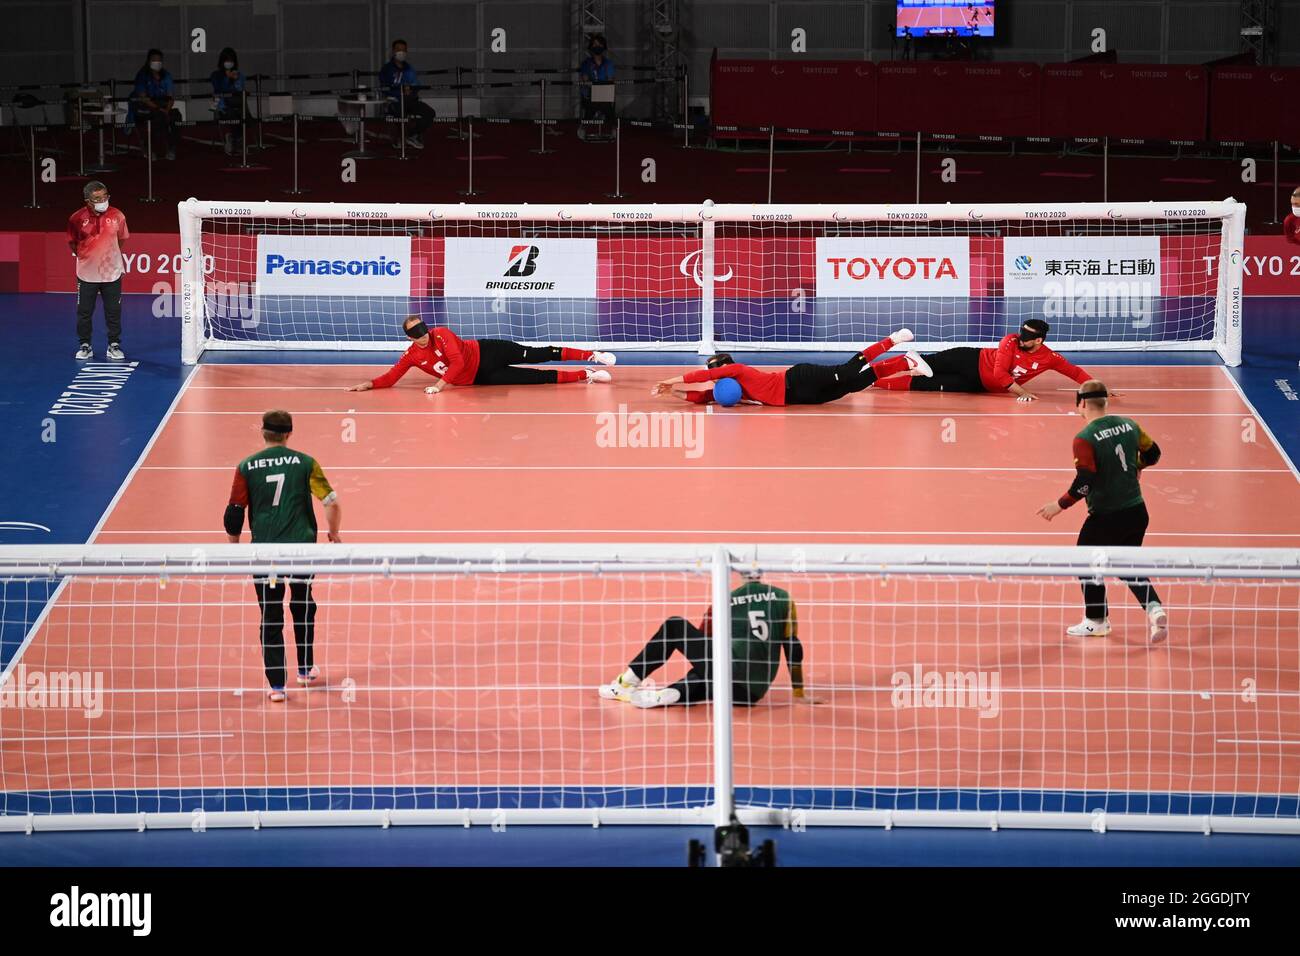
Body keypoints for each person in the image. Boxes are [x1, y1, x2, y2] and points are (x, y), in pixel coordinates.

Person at [1036, 380, 1169, 642]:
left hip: (1107, 516)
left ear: (1081, 403)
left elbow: (1085, 482)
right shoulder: (1130, 424)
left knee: (1086, 561)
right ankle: (1155, 610)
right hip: (1137, 511)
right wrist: (1135, 466)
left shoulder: (1084, 438)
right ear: (1106, 402)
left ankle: (1096, 620)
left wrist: (1058, 505)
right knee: (1127, 563)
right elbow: (1153, 454)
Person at [224, 410, 343, 702]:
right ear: (289, 433)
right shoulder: (305, 463)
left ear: (263, 432)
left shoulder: (246, 466)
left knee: (271, 613)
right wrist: (333, 532)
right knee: (303, 604)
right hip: (301, 548)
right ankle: (304, 669)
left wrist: (233, 545)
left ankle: (277, 685)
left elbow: (234, 512)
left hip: (265, 553)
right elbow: (330, 501)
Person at [598, 569, 819, 708]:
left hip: (726, 676)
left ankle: (625, 683)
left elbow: (704, 644)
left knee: (676, 626)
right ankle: (674, 692)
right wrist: (799, 691)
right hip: (750, 693)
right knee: (712, 672)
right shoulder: (783, 598)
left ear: (738, 572)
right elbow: (793, 646)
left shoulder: (725, 600)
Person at [653, 328, 920, 406]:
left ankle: (892, 340)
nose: (714, 379)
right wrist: (671, 392)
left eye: (716, 370)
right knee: (852, 385)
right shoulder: (730, 390)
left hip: (798, 378)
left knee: (848, 371)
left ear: (725, 366)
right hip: (797, 397)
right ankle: (905, 362)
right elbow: (701, 397)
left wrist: (672, 379)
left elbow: (703, 375)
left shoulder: (738, 371)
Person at [346, 316, 615, 393]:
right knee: (536, 379)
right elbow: (392, 376)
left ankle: (591, 355)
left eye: (423, 329)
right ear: (410, 338)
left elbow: (458, 361)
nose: (423, 335)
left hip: (488, 352)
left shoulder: (441, 333)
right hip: (481, 378)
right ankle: (587, 375)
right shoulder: (411, 356)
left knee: (537, 354)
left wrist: (439, 386)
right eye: (417, 334)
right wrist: (369, 384)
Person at [868, 319, 1095, 401]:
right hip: (969, 359)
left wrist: (1098, 388)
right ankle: (869, 373)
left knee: (921, 384)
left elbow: (1074, 372)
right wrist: (1022, 393)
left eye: (1027, 338)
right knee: (917, 362)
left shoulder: (1049, 358)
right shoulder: (1010, 341)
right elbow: (1000, 375)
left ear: (1039, 341)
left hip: (977, 385)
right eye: (1021, 334)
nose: (1020, 339)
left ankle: (872, 383)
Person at [67, 180, 129, 361]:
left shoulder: (117, 215)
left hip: (112, 273)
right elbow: (73, 243)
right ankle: (85, 345)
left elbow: (121, 240)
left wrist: (110, 257)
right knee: (84, 312)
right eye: (97, 198)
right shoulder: (76, 218)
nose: (103, 200)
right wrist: (87, 257)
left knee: (113, 311)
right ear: (88, 200)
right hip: (86, 275)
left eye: (105, 196)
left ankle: (114, 344)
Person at [378, 39, 435, 150]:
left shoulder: (410, 69)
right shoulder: (386, 69)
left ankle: (410, 135)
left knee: (430, 113)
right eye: (399, 49)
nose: (402, 52)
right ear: (393, 51)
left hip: (409, 100)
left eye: (404, 50)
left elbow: (416, 85)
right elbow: (384, 88)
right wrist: (399, 91)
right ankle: (401, 137)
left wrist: (412, 90)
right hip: (394, 101)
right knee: (399, 113)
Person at [129, 49, 180, 161]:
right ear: (148, 61)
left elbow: (171, 97)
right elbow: (143, 97)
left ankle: (171, 148)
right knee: (157, 117)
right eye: (154, 60)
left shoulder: (166, 75)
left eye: (159, 60)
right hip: (145, 106)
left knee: (176, 116)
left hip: (163, 106)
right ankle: (149, 148)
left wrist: (167, 109)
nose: (157, 63)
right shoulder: (142, 76)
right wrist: (158, 108)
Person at [209, 47, 249, 156]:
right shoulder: (215, 75)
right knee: (234, 114)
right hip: (222, 107)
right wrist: (227, 78)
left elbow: (240, 90)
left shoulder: (239, 75)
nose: (229, 63)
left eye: (231, 60)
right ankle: (236, 139)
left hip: (237, 106)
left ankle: (235, 139)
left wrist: (235, 80)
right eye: (227, 60)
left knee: (241, 113)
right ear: (222, 62)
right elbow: (218, 89)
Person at [577, 33, 615, 139]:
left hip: (604, 94)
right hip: (590, 94)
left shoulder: (608, 63)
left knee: (606, 106)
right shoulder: (586, 63)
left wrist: (603, 89)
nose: (597, 46)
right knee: (595, 105)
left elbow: (611, 80)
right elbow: (584, 79)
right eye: (594, 44)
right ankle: (584, 127)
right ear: (591, 47)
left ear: (603, 47)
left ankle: (613, 129)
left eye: (599, 44)